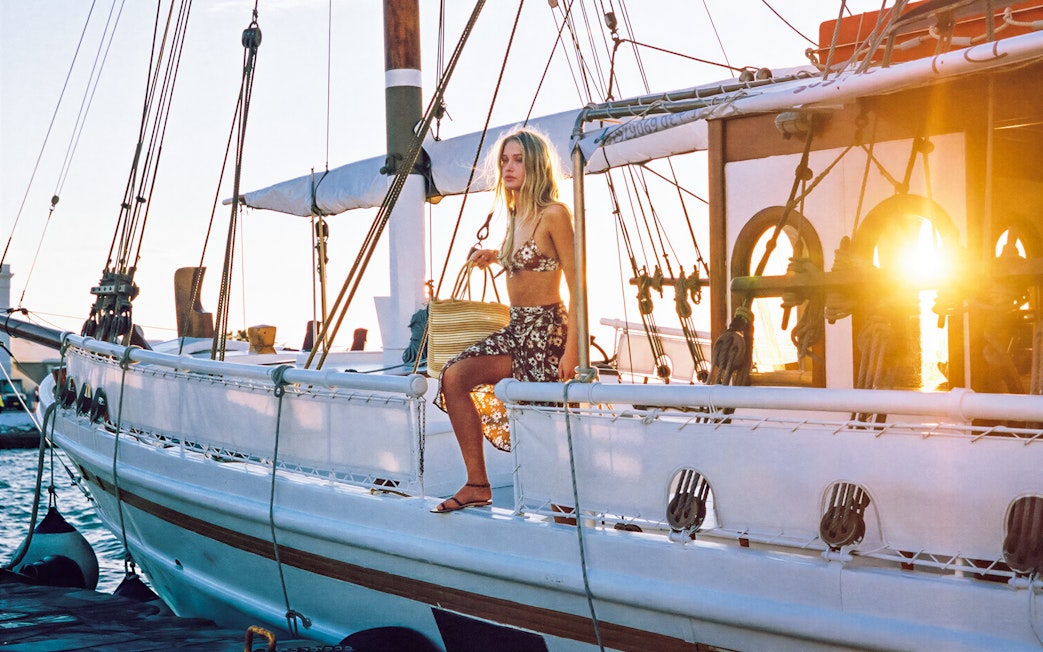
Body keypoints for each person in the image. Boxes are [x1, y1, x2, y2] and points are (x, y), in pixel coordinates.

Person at [432, 128, 578, 514]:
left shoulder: (555, 214)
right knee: (454, 376)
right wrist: (495, 254)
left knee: (543, 426)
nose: (509, 167)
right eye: (505, 160)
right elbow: (529, 257)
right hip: (517, 329)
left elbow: (579, 286)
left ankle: (568, 512)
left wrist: (573, 352)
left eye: (518, 160)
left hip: (547, 332)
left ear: (536, 165)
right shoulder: (516, 214)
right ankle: (477, 484)